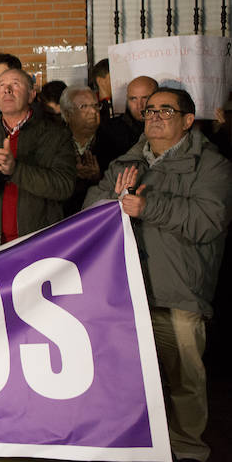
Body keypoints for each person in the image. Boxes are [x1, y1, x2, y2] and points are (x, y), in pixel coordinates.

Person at [83, 87, 232, 462]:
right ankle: (143, 446)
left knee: (184, 378)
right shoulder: (127, 162)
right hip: (127, 292)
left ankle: (187, 450)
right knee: (132, 378)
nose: (155, 116)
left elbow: (207, 221)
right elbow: (88, 209)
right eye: (150, 110)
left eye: (167, 111)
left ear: (187, 121)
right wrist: (108, 204)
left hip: (178, 292)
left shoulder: (212, 166)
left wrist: (148, 207)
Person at [0, 68, 76, 255]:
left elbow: (64, 186)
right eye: (1, 85)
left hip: (39, 246)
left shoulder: (56, 135)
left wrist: (15, 170)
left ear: (32, 95)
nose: (7, 90)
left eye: (15, 84)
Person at [97, 75, 158, 168]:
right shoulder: (110, 130)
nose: (139, 105)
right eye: (133, 99)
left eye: (145, 98)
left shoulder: (170, 127)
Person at [60, 86, 103, 215]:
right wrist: (72, 175)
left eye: (96, 106)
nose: (93, 111)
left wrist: (98, 177)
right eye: (84, 106)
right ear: (68, 114)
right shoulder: (56, 142)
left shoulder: (112, 139)